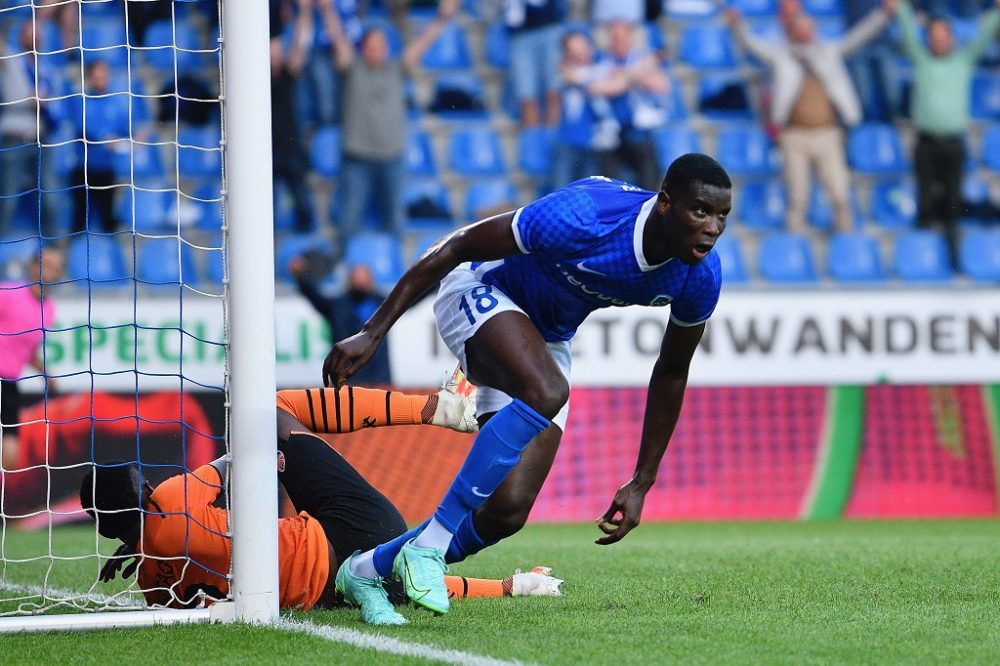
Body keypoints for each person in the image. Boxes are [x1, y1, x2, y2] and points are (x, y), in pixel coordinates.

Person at [323, 153, 731, 622]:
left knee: (507, 511)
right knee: (547, 390)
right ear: (664, 204)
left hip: (545, 337)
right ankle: (428, 547)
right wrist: (373, 331)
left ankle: (365, 568)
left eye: (722, 216)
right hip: (478, 288)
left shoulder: (700, 276)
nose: (712, 228)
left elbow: (672, 371)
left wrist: (643, 480)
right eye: (701, 211)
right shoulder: (584, 216)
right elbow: (458, 245)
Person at [81, 384, 563, 624]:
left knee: (400, 572)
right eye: (142, 482)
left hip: (326, 592)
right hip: (344, 527)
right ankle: (435, 408)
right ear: (144, 494)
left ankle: (514, 586)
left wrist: (139, 544)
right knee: (265, 408)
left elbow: (174, 568)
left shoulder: (150, 582)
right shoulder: (170, 501)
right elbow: (232, 461)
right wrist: (275, 451)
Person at [727, 2, 894, 234]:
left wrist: (882, 15)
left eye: (809, 27)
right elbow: (751, 45)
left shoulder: (828, 52)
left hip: (828, 134)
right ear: (791, 31)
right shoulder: (780, 55)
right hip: (794, 135)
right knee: (798, 195)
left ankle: (845, 236)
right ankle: (795, 238)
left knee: (839, 192)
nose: (806, 32)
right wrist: (738, 26)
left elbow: (859, 37)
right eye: (801, 28)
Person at [322, 0, 458, 240]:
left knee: (395, 219)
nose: (377, 49)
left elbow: (421, 45)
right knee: (349, 219)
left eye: (381, 45)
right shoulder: (353, 68)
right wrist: (327, 9)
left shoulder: (396, 68)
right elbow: (339, 41)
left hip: (391, 157)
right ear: (363, 48)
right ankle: (342, 264)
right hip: (357, 159)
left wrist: (441, 19)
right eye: (372, 45)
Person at [896, 0, 1000, 262]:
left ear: (951, 39)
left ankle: (954, 257)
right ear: (928, 39)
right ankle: (920, 259)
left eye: (944, 36)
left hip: (953, 143)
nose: (939, 41)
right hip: (926, 142)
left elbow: (982, 37)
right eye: (934, 36)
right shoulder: (922, 61)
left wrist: (996, 13)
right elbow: (908, 34)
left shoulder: (962, 61)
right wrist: (901, 9)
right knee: (926, 199)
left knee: (953, 200)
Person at [0, 248, 64, 471]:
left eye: (55, 266)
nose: (49, 270)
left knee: (11, 457)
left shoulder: (49, 310)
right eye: (45, 263)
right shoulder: (7, 293)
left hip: (9, 383)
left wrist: (46, 373)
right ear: (31, 266)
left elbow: (26, 349)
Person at [590, 19, 671, 191]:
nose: (619, 41)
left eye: (623, 37)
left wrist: (625, 76)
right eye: (615, 37)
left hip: (637, 131)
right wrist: (635, 75)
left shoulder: (638, 58)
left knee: (650, 178)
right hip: (609, 133)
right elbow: (596, 88)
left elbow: (661, 85)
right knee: (608, 185)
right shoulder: (601, 59)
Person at [289, 256, 391, 386]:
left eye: (364, 278)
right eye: (356, 278)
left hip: (380, 380)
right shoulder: (338, 306)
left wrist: (425, 281)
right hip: (348, 380)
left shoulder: (384, 304)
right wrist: (301, 277)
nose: (360, 283)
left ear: (372, 280)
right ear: (349, 281)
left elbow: (411, 298)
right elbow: (315, 297)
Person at [0, 20, 58, 236]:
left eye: (39, 33)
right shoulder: (12, 60)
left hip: (42, 138)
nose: (35, 37)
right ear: (21, 35)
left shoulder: (47, 69)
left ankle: (53, 250)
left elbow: (59, 103)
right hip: (14, 139)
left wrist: (46, 103)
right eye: (30, 32)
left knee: (50, 195)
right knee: (8, 198)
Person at [68, 59, 130, 233]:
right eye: (97, 75)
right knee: (79, 218)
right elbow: (83, 126)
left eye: (104, 75)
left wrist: (135, 137)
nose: (101, 79)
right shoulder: (81, 100)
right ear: (90, 77)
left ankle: (109, 253)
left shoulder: (116, 103)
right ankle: (74, 250)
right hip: (84, 168)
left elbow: (124, 129)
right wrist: (105, 138)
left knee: (108, 218)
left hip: (107, 168)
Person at [271, 0, 316, 232]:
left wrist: (305, 12)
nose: (275, 54)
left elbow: (299, 47)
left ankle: (306, 244)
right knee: (266, 210)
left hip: (290, 149)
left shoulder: (287, 77)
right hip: (266, 152)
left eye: (278, 49)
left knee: (304, 206)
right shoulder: (254, 84)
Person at [504, 0, 566, 127]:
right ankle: (534, 141)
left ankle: (553, 138)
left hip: (549, 26)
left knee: (554, 89)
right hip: (520, 35)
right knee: (526, 94)